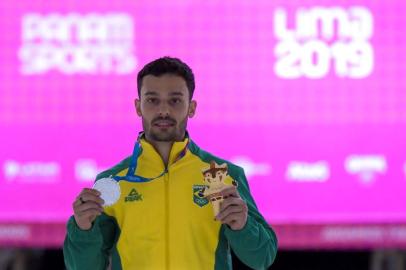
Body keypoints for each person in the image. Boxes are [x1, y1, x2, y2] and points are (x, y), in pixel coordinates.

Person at [63, 57, 278, 270]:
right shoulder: (112, 182)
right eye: (152, 100)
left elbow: (262, 258)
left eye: (175, 100)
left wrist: (243, 226)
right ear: (138, 106)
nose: (163, 110)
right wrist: (82, 228)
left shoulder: (224, 175)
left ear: (191, 107)